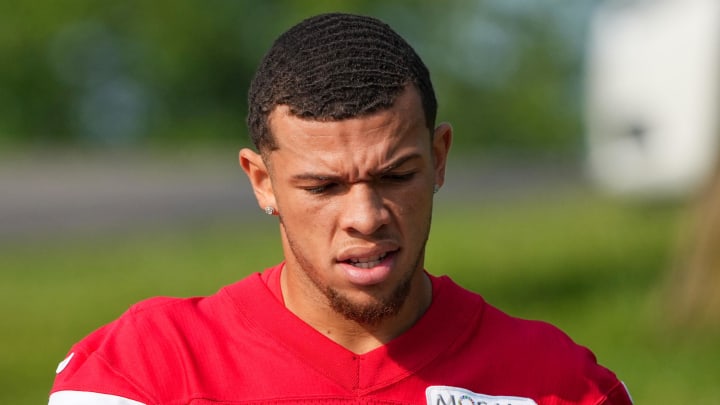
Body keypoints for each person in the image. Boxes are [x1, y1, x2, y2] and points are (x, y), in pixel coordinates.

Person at [49, 13, 633, 405]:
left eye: (396, 175)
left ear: (439, 157)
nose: (366, 215)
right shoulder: (143, 373)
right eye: (322, 187)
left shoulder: (558, 383)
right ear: (263, 181)